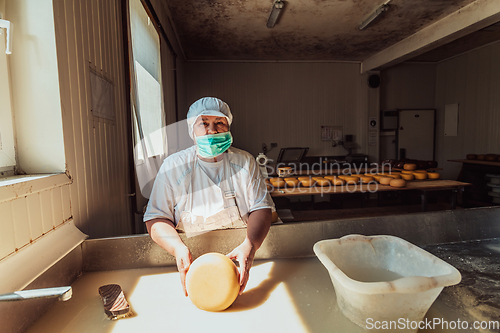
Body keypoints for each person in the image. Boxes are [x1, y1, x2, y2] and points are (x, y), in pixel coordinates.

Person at [144, 97, 275, 296]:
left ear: (228, 127)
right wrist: (178, 249)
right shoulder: (173, 166)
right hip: (189, 266)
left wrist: (250, 246)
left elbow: (261, 209)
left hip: (242, 260)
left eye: (219, 123)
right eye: (203, 123)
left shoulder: (245, 162)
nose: (211, 130)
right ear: (191, 130)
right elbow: (156, 218)